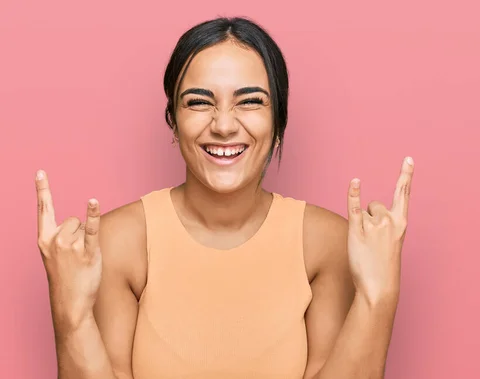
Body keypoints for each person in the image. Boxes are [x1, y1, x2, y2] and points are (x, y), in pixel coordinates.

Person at [35, 17, 415, 379]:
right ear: (174, 121)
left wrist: (378, 295)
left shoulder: (328, 243)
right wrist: (70, 312)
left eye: (250, 101)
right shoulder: (117, 241)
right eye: (199, 102)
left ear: (278, 123)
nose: (224, 124)